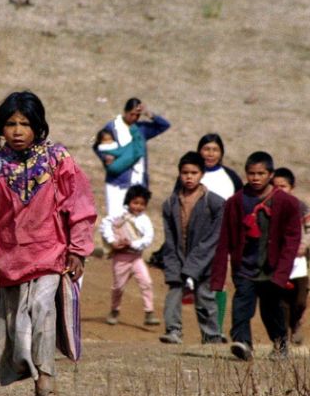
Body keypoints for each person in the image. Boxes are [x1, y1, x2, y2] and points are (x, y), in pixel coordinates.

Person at [0, 91, 97, 396]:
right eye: (10, 124)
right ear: (0, 128)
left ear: (38, 126)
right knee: (20, 328)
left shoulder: (58, 159)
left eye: (25, 123)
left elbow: (80, 206)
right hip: (12, 260)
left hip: (51, 256)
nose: (17, 131)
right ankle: (36, 378)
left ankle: (46, 385)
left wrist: (78, 249)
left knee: (42, 311)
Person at [211, 151, 302, 361]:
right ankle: (243, 344)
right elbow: (225, 238)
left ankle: (280, 345)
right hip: (244, 266)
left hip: (271, 268)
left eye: (261, 173)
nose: (255, 178)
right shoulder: (235, 202)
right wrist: (219, 275)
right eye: (251, 173)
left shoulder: (286, 202)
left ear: (270, 174)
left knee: (271, 310)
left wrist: (282, 272)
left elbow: (292, 239)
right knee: (241, 306)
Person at [153, 133, 244, 331]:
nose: (210, 153)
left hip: (220, 238)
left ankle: (214, 330)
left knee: (215, 284)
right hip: (189, 241)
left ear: (221, 153)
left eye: (215, 150)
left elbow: (240, 207)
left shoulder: (231, 177)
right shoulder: (186, 177)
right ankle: (178, 330)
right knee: (188, 286)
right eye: (206, 149)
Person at [158, 152, 225, 344]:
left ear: (202, 174)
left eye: (194, 172)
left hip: (206, 258)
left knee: (205, 297)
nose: (189, 177)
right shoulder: (170, 203)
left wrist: (195, 263)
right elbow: (169, 236)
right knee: (174, 292)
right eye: (185, 172)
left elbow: (215, 237)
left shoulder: (214, 202)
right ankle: (173, 330)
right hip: (178, 255)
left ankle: (211, 336)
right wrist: (172, 261)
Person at [271, 167, 310, 345]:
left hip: (299, 261)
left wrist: (304, 244)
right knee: (282, 299)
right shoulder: (267, 206)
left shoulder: (299, 206)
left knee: (299, 299)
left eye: (283, 186)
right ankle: (284, 335)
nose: (279, 190)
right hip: (278, 260)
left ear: (292, 187)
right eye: (275, 186)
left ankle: (296, 323)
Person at [93, 98, 171, 218]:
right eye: (132, 114)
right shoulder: (112, 127)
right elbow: (98, 146)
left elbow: (164, 125)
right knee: (115, 218)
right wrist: (106, 158)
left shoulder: (141, 129)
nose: (134, 118)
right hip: (118, 180)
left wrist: (149, 114)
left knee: (136, 220)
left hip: (138, 180)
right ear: (125, 112)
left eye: (137, 115)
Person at [99, 185, 160, 326]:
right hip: (120, 258)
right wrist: (112, 241)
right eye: (135, 202)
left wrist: (132, 244)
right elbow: (105, 224)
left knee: (147, 282)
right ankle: (114, 310)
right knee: (118, 287)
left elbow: (148, 238)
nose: (138, 207)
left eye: (142, 204)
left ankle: (149, 313)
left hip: (136, 258)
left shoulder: (145, 220)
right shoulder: (119, 215)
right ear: (128, 201)